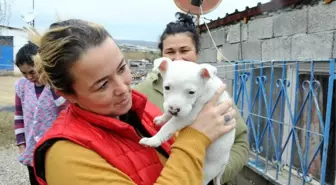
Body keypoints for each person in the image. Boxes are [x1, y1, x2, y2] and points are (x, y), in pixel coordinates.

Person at [27, 19, 237, 185]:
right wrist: (196, 139)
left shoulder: (140, 111)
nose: (123, 88)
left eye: (121, 68)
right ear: (68, 94)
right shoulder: (67, 158)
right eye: (102, 85)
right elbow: (188, 148)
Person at [135, 12, 249, 185]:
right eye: (170, 52)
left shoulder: (215, 92)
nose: (178, 58)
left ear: (197, 53)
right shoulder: (140, 93)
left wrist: (215, 175)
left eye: (185, 50)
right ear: (162, 57)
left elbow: (240, 141)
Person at [13, 42, 67, 185]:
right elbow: (19, 116)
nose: (29, 77)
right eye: (24, 73)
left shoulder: (56, 85)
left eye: (32, 72)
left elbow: (65, 109)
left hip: (54, 149)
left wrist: (49, 82)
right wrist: (22, 146)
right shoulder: (21, 87)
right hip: (32, 151)